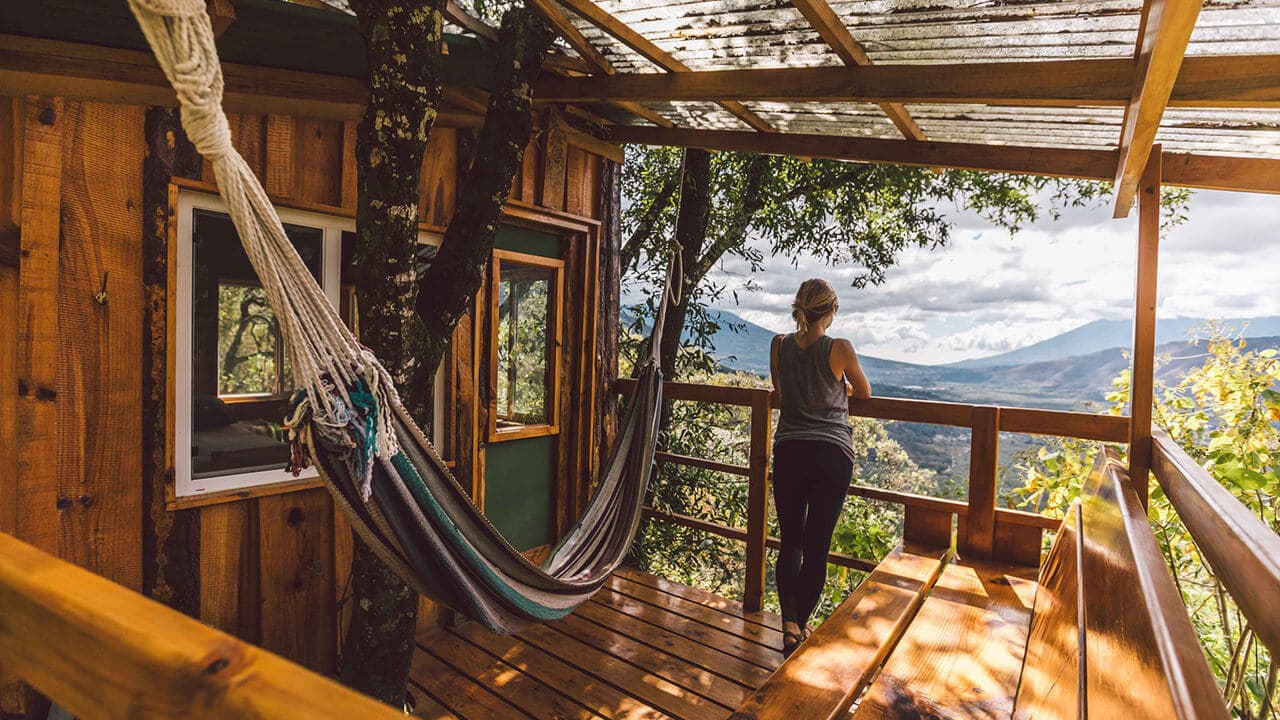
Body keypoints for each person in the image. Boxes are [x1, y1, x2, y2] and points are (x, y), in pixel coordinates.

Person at [769, 278, 872, 657]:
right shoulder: (840, 348)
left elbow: (781, 392)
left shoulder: (778, 345)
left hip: (790, 450)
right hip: (831, 454)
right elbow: (864, 393)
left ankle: (789, 622)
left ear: (799, 308)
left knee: (790, 541)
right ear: (831, 311)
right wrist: (840, 386)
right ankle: (799, 627)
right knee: (817, 548)